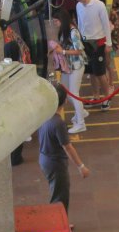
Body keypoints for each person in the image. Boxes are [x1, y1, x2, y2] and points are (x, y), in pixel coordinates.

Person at [36, 84, 90, 213]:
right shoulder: (58, 123)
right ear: (65, 101)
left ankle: (61, 220)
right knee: (60, 195)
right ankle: (59, 223)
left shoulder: (44, 114)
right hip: (55, 163)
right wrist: (81, 166)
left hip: (44, 158)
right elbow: (68, 147)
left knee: (57, 190)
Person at [73, 0, 113, 108]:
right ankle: (95, 96)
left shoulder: (99, 5)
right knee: (91, 72)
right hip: (85, 43)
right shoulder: (78, 5)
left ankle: (106, 97)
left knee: (100, 73)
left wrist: (109, 43)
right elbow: (79, 23)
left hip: (99, 43)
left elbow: (106, 25)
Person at [50, 11, 88, 134]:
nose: (55, 24)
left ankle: (81, 123)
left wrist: (63, 52)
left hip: (76, 66)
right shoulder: (65, 31)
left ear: (62, 20)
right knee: (65, 91)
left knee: (73, 93)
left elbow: (79, 50)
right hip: (68, 67)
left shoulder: (73, 32)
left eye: (56, 21)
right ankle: (81, 112)